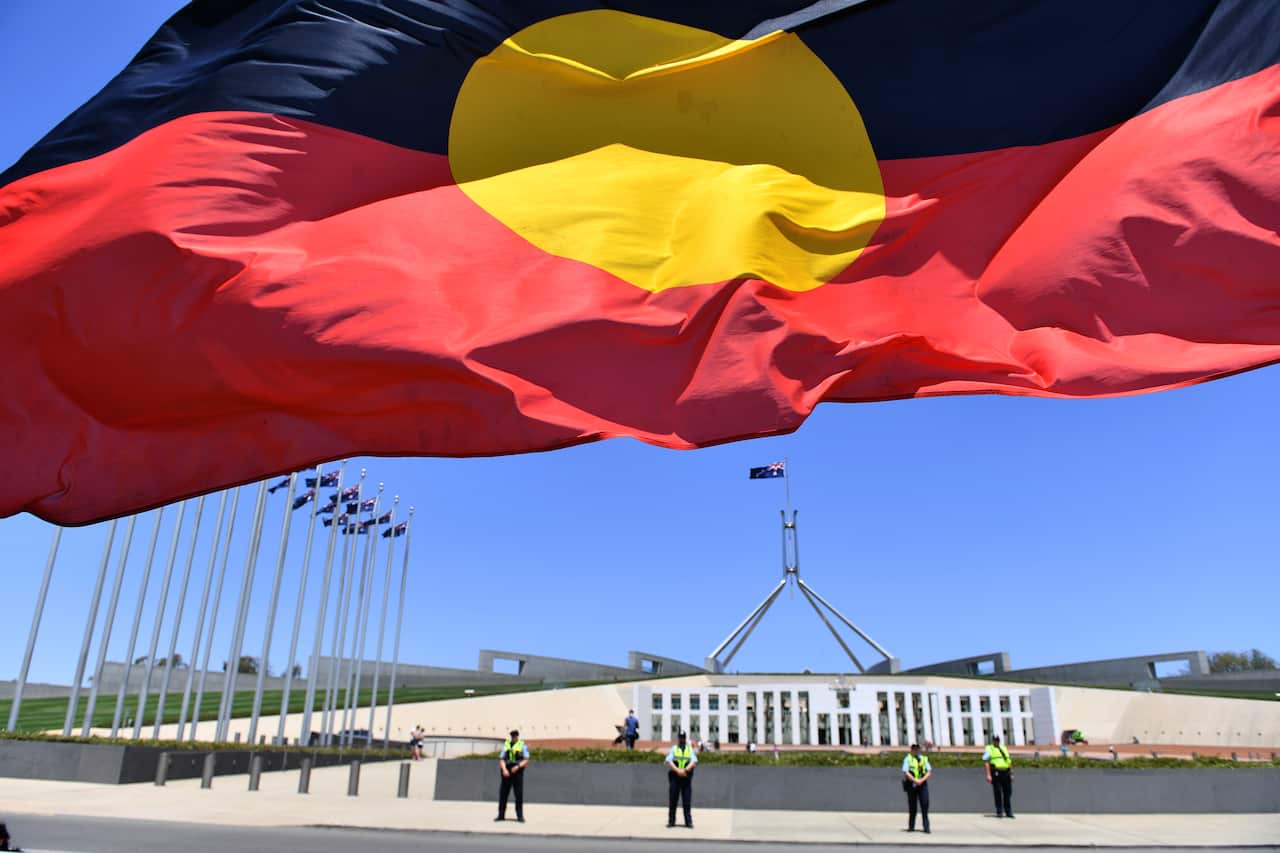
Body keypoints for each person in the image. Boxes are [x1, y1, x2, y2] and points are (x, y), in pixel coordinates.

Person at [495, 729, 529, 823]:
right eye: (512, 736)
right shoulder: (506, 745)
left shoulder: (522, 745)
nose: (514, 737)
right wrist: (504, 770)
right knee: (503, 794)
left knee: (518, 795)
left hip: (517, 772)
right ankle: (501, 815)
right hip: (507, 772)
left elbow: (526, 760)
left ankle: (520, 816)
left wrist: (518, 766)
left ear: (518, 736)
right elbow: (501, 759)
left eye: (515, 736)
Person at [665, 730, 697, 828]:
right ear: (678, 738)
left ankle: (688, 822)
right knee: (673, 800)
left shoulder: (689, 749)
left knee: (686, 801)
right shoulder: (674, 749)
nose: (682, 739)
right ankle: (671, 821)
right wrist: (678, 770)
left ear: (685, 738)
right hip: (675, 777)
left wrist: (686, 770)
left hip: (686, 778)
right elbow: (669, 760)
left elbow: (694, 761)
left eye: (683, 737)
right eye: (680, 737)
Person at [901, 743, 931, 833]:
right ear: (911, 750)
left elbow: (929, 771)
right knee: (912, 807)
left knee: (925, 806)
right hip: (912, 785)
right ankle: (911, 826)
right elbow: (906, 772)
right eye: (914, 749)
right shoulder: (908, 759)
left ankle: (926, 827)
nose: (916, 751)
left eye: (918, 749)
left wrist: (921, 780)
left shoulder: (923, 759)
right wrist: (915, 780)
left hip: (922, 784)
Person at [983, 734, 1014, 818]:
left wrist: (1011, 773)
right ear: (992, 740)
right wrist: (988, 774)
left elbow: (1009, 760)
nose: (996, 741)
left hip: (1006, 772)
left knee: (1008, 792)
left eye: (998, 740)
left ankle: (1008, 811)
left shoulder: (1003, 748)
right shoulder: (989, 748)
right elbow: (986, 761)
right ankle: (999, 811)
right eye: (995, 740)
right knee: (997, 792)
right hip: (996, 772)